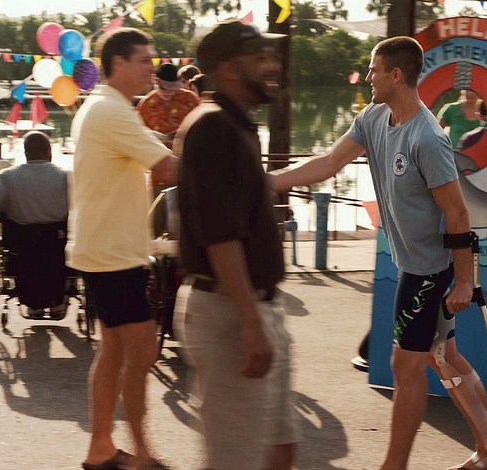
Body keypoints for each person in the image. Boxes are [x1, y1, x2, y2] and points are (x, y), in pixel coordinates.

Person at [271, 36, 487, 470]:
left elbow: (457, 213)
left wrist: (463, 280)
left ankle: (394, 465)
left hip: (430, 270)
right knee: (443, 355)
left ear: (396, 75)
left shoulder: (428, 138)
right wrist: (269, 181)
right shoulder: (372, 117)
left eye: (373, 69)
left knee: (405, 367)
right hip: (415, 265)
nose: (368, 76)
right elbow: (328, 162)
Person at [173, 20, 300, 470]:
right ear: (228, 69)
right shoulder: (212, 129)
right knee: (235, 460)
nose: (272, 66)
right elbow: (221, 238)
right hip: (229, 313)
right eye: (260, 58)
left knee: (281, 446)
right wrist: (250, 322)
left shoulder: (238, 125)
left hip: (258, 308)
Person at [69, 27, 175, 470]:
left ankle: (102, 447)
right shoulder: (112, 111)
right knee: (142, 350)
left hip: (106, 250)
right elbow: (168, 167)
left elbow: (156, 156)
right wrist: (230, 171)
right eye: (144, 59)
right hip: (111, 255)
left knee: (114, 351)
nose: (153, 67)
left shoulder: (104, 106)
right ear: (118, 63)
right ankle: (141, 453)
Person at [0, 131, 70, 318]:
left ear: (25, 153)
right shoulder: (65, 178)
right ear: (48, 152)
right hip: (57, 249)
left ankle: (34, 304)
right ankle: (58, 301)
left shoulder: (5, 177)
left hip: (21, 250)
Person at [137, 62, 201, 147]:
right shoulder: (146, 105)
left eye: (173, 88)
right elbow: (140, 134)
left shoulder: (190, 99)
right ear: (155, 81)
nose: (169, 92)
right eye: (164, 88)